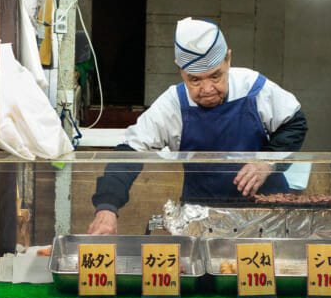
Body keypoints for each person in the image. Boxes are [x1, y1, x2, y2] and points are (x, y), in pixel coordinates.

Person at [87, 17, 307, 234]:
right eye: (195, 80)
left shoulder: (254, 87)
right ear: (180, 70)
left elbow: (295, 124)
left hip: (267, 216)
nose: (207, 88)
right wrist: (107, 207)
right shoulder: (172, 105)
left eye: (215, 76)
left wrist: (266, 163)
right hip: (203, 219)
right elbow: (130, 153)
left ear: (228, 59)